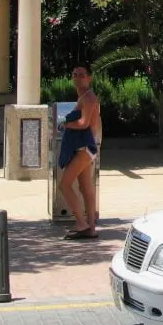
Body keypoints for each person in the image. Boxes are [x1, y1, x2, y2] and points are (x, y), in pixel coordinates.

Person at [58, 65, 102, 240]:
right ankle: (90, 227)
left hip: (84, 147)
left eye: (82, 75)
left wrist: (65, 124)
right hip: (86, 148)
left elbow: (84, 123)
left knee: (64, 185)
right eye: (75, 74)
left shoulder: (89, 98)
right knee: (85, 187)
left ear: (89, 78)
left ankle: (81, 223)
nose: (78, 78)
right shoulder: (85, 97)